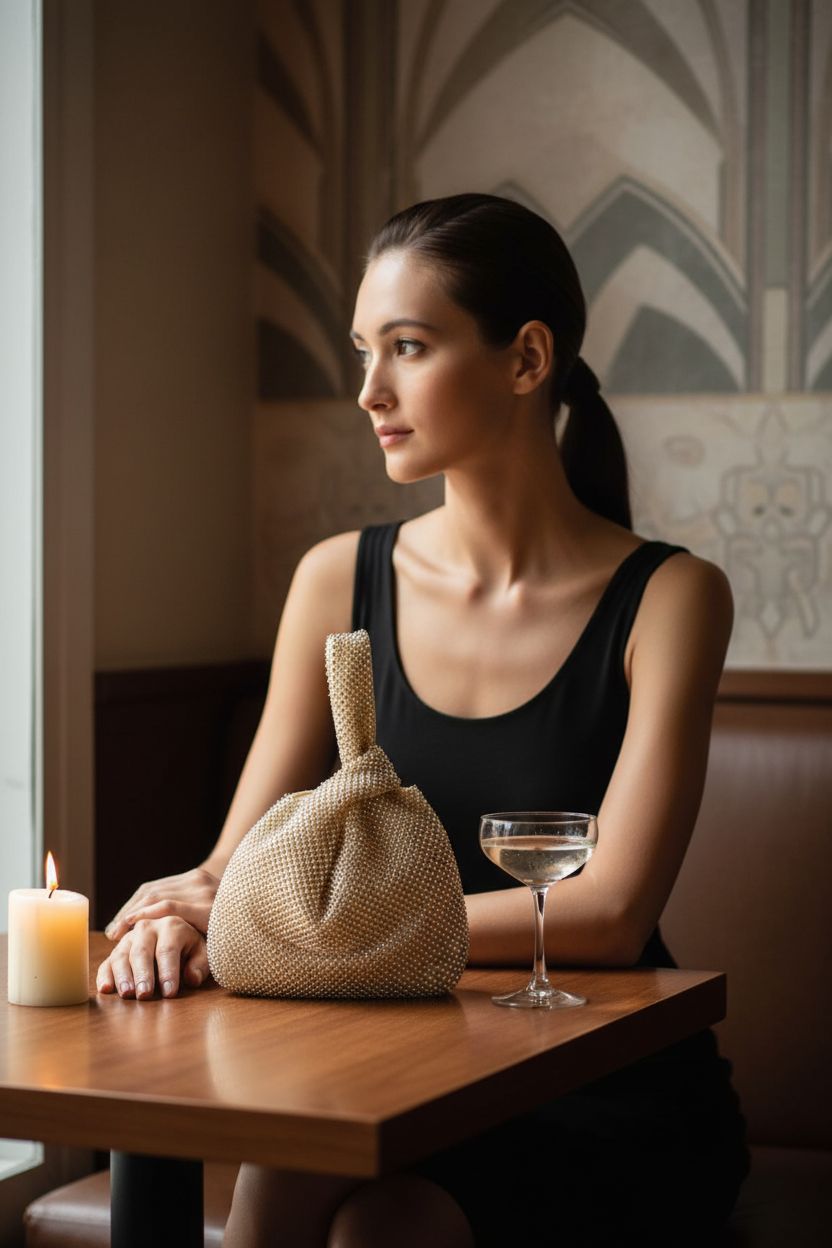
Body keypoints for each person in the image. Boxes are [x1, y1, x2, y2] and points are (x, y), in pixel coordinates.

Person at [97, 193, 749, 1246]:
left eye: (407, 347)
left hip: (604, 1089)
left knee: (383, 1232)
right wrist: (187, 912)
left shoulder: (671, 596)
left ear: (525, 360)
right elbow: (240, 873)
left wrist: (276, 938)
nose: (368, 391)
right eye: (364, 351)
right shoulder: (334, 580)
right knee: (276, 1185)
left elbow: (610, 911)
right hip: (390, 1075)